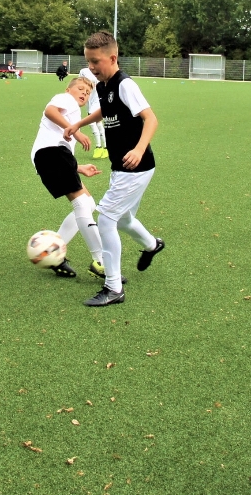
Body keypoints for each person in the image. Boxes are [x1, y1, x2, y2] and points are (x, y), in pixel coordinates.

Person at [64, 31, 164, 307]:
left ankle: (113, 287)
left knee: (107, 219)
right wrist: (78, 124)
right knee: (123, 219)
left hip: (136, 166)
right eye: (88, 61)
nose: (91, 67)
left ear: (112, 57)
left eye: (95, 61)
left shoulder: (125, 84)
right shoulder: (103, 85)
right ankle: (152, 245)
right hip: (121, 167)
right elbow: (107, 111)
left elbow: (150, 119)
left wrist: (139, 149)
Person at [31, 77, 108, 279]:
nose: (84, 93)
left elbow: (60, 144)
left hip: (54, 157)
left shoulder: (72, 112)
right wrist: (75, 131)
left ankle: (52, 253)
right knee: (82, 204)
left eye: (88, 92)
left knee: (88, 204)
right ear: (68, 89)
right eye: (80, 89)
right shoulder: (65, 99)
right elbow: (50, 110)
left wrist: (78, 167)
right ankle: (100, 261)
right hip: (51, 154)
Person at [79, 67, 108, 159]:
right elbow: (79, 83)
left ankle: (99, 147)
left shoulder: (99, 71)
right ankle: (105, 147)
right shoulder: (83, 71)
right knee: (98, 124)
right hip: (88, 100)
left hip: (97, 100)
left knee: (92, 122)